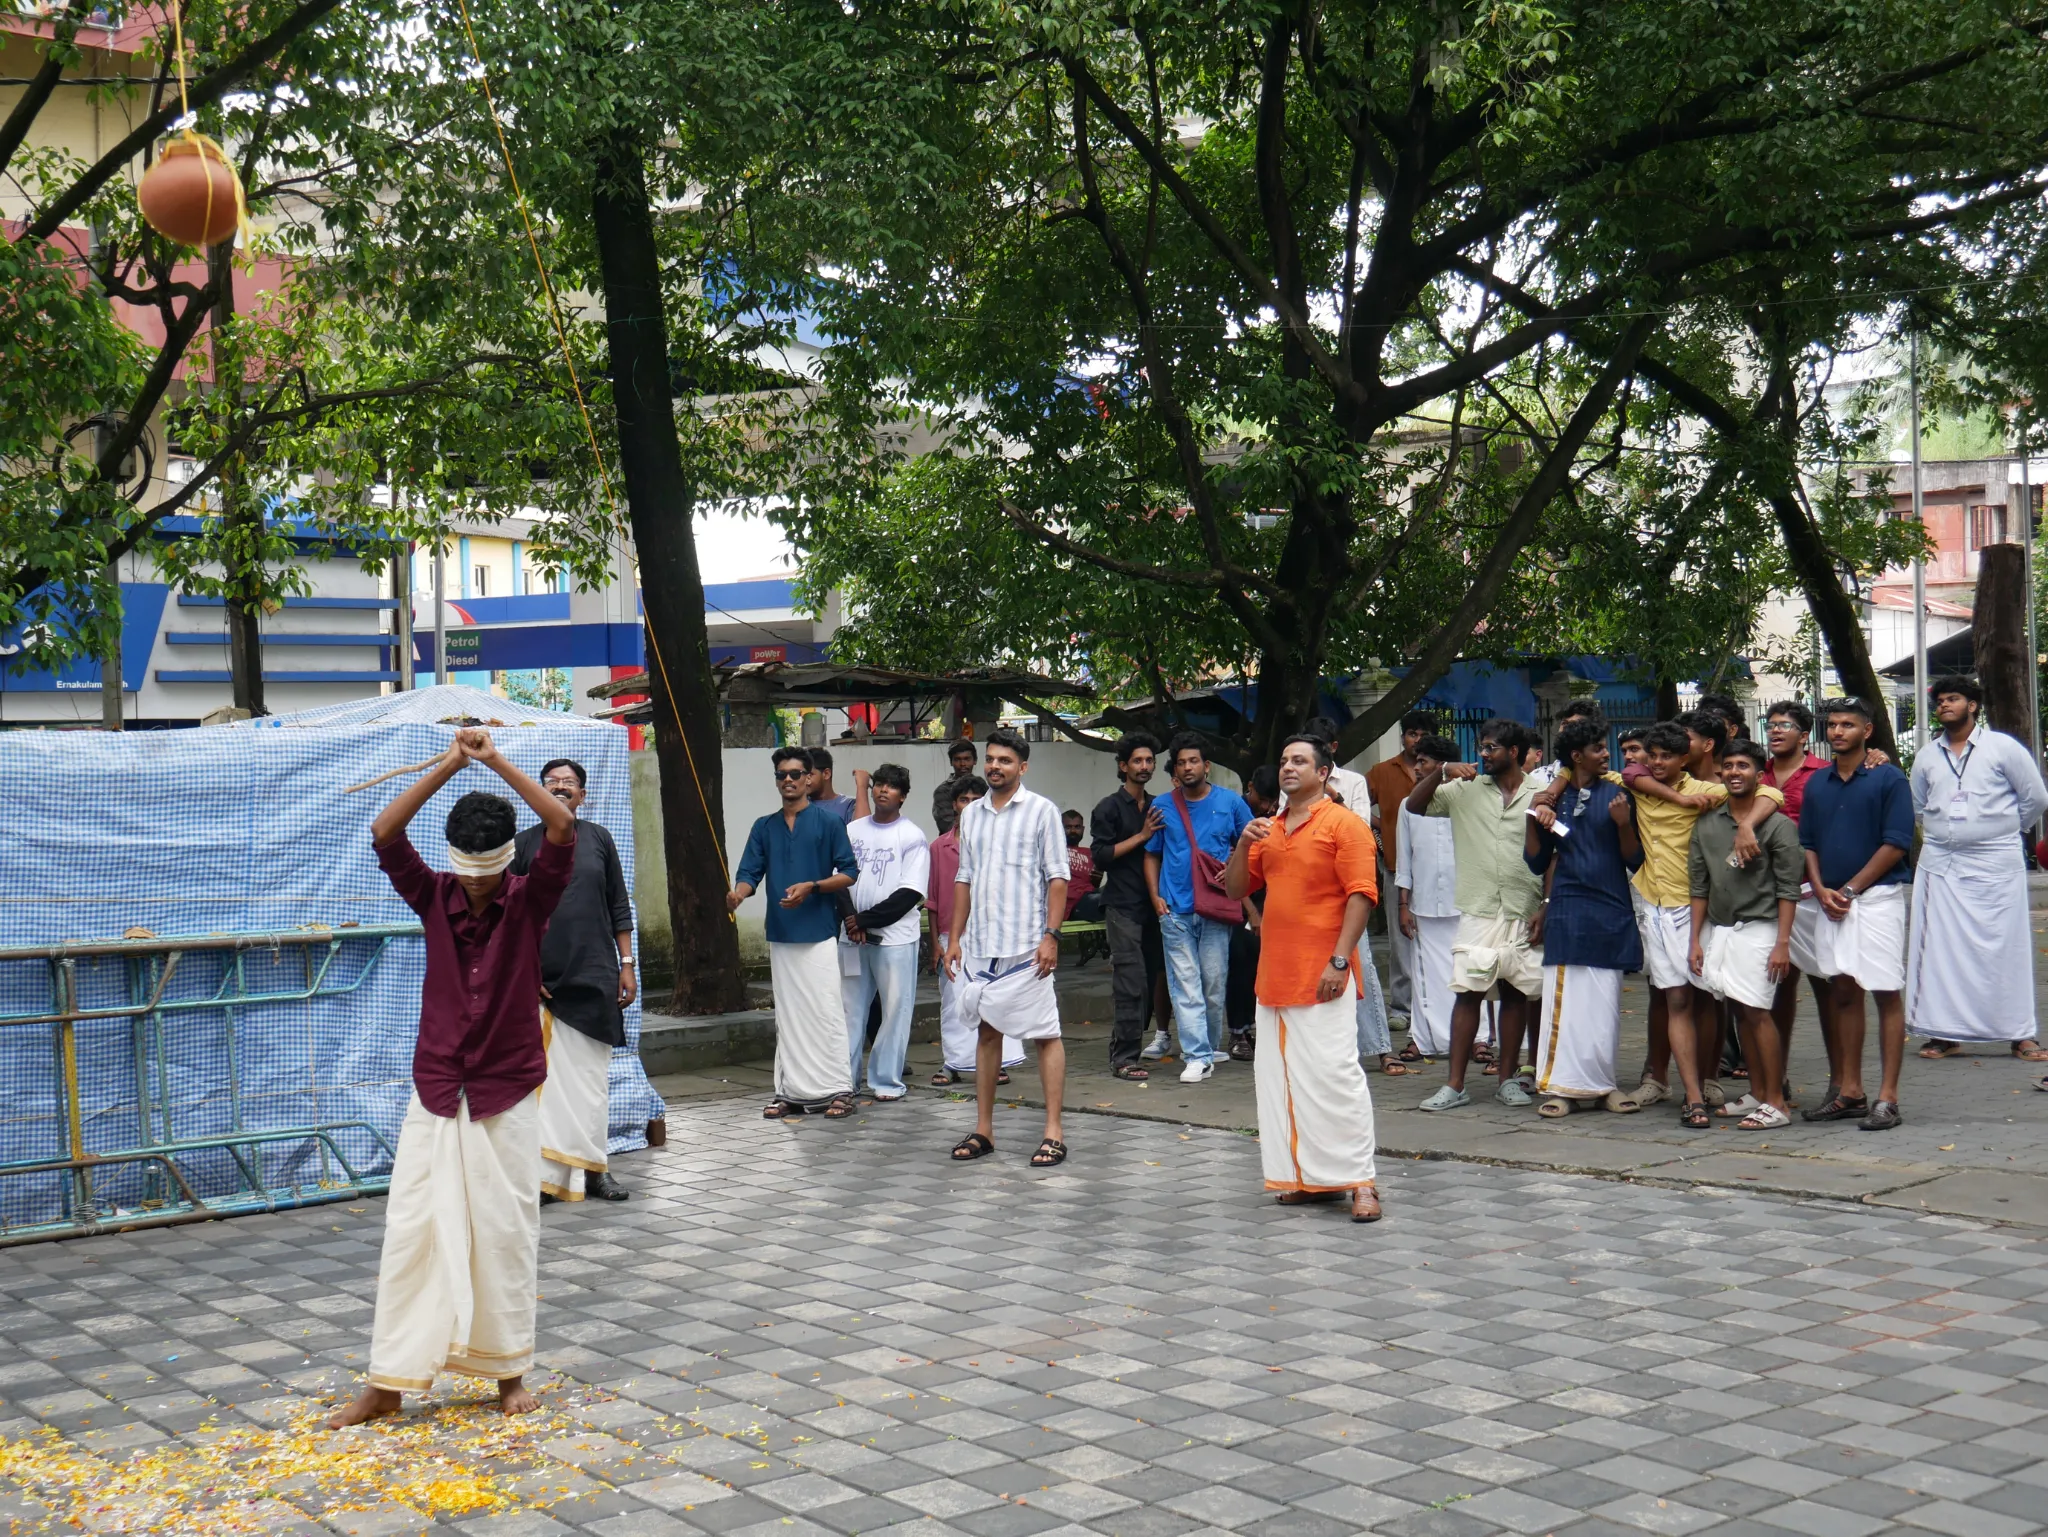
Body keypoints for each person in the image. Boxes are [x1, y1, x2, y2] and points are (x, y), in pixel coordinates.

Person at [329, 728, 575, 1428]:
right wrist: (449, 763)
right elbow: (385, 832)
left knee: (504, 1230)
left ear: (506, 861)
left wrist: (495, 760)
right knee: (412, 1229)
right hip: (438, 1084)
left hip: (507, 1085)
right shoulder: (432, 892)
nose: (472, 881)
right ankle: (390, 1379)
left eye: (484, 871)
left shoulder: (530, 897)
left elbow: (560, 826)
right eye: (464, 869)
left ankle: (507, 1373)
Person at [1224, 735, 1383, 1223]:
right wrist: (1243, 843)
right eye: (1284, 760)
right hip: (1275, 975)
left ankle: (1361, 1181)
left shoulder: (1345, 824)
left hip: (1324, 974)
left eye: (1299, 761)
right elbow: (1236, 888)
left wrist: (1339, 961)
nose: (1288, 767)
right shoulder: (1268, 828)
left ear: (1324, 772)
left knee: (1336, 1078)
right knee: (1284, 1082)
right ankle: (1309, 1179)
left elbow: (1362, 895)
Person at [1611, 720, 1782, 1116]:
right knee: (1675, 999)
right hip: (1653, 904)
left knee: (1710, 995)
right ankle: (1691, 1097)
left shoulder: (1707, 791)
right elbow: (1611, 772)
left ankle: (1722, 1082)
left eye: (1666, 756)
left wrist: (1746, 825)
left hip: (1694, 907)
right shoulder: (1637, 785)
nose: (1657, 763)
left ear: (1683, 760)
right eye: (1652, 756)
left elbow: (1772, 793)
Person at [510, 758, 634, 1206]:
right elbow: (512, 914)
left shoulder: (600, 838)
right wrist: (525, 971)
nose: (560, 788)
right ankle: (547, 1178)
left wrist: (626, 963)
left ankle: (595, 1171)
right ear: (538, 793)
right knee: (547, 1082)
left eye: (569, 783)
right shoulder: (523, 844)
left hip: (596, 971)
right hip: (543, 978)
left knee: (590, 1082)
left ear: (583, 795)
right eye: (552, 782)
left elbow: (618, 904)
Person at [946, 728, 1071, 1167]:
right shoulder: (971, 816)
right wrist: (954, 939)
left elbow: (1058, 878)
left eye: (1005, 760)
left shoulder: (1042, 811)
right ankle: (984, 1129)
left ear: (1023, 766)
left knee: (1045, 1034)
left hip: (1028, 947)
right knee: (986, 1033)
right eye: (991, 759)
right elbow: (964, 878)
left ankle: (1053, 1132)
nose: (995, 766)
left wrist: (1051, 936)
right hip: (982, 945)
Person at [1907, 676, 2048, 1064]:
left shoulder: (2003, 747)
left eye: (1953, 698)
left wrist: (2002, 829)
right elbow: (1918, 806)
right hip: (1941, 865)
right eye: (1940, 700)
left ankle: (2020, 1034)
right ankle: (1943, 1033)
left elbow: (2035, 798)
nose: (1944, 705)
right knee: (1941, 952)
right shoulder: (1927, 755)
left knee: (2006, 948)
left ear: (1972, 705)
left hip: (1996, 863)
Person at [1410, 719, 1544, 1111]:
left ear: (1513, 752)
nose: (1482, 755)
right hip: (1478, 907)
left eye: (1490, 748)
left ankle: (1508, 1080)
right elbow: (1414, 805)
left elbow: (1554, 852)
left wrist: (1546, 904)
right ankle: (1455, 1085)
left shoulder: (1541, 792)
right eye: (1481, 747)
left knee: (1515, 994)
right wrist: (1440, 771)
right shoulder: (1462, 789)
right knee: (1468, 993)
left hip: (1524, 906)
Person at [1799, 696, 1914, 1130]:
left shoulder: (1889, 777)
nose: (1837, 731)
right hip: (1829, 902)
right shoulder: (1818, 782)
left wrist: (1850, 889)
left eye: (1847, 724)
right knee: (1843, 991)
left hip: (1877, 899)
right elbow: (1808, 842)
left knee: (1884, 990)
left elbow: (1896, 843)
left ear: (1867, 730)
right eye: (1832, 724)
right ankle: (1850, 1092)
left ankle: (1888, 1098)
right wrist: (1820, 888)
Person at [729, 747, 860, 1120]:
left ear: (809, 778)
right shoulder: (764, 826)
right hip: (782, 932)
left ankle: (839, 1089)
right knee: (788, 1016)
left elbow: (849, 872)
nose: (788, 780)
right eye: (781, 774)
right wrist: (737, 895)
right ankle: (790, 1092)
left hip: (819, 932)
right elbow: (749, 873)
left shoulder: (828, 822)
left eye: (795, 774)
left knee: (825, 1010)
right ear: (776, 781)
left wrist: (813, 887)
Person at [1523, 719, 1643, 1115]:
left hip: (1611, 909)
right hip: (1568, 911)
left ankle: (1604, 1086)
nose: (1607, 754)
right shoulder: (1551, 799)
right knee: (1568, 1003)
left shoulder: (1619, 796)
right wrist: (1532, 817)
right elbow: (1536, 862)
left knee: (1604, 1005)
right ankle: (1561, 1089)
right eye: (1598, 749)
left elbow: (1634, 859)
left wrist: (1623, 824)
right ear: (1577, 756)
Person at [1688, 738, 1804, 1131]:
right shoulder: (1707, 823)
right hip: (1720, 930)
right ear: (1719, 772)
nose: (1735, 772)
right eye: (1729, 766)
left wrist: (1782, 943)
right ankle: (1757, 1093)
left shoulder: (1778, 825)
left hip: (1762, 929)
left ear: (1759, 774)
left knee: (1756, 1012)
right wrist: (1694, 940)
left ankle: (1777, 1103)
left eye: (1744, 766)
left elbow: (1788, 889)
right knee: (1739, 1011)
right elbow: (1699, 886)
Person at [1145, 733, 1254, 1085]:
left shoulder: (1231, 802)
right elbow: (1151, 854)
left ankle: (1206, 1046)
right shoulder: (1163, 805)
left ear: (1206, 766)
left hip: (1216, 908)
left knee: (1213, 983)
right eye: (1181, 762)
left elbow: (1252, 841)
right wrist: (1155, 897)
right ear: (1174, 769)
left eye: (1193, 761)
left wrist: (1233, 864)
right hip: (1174, 909)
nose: (1187, 767)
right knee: (1185, 985)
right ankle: (1197, 1055)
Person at [1306, 716, 1403, 1078]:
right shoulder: (1294, 786)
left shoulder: (1352, 782)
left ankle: (1380, 1049)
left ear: (1332, 749)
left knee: (1359, 964)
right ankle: (1323, 1055)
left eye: (1314, 748)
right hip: (1310, 888)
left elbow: (1361, 832)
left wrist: (1333, 800)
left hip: (1347, 888)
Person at [838, 763, 929, 1102]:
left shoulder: (912, 836)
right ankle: (844, 1081)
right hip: (851, 939)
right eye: (878, 784)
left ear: (903, 796)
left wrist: (865, 920)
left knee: (894, 1012)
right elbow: (837, 880)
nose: (882, 790)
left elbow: (909, 894)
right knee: (848, 1011)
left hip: (895, 941)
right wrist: (852, 920)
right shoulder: (853, 830)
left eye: (891, 786)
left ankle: (886, 1081)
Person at [1760, 700, 1838, 1096]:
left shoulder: (1824, 774)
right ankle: (1776, 1080)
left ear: (1804, 735)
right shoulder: (1756, 772)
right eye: (1771, 724)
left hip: (1813, 891)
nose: (1775, 730)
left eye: (1785, 725)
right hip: (1766, 893)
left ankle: (1841, 1083)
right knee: (1777, 988)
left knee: (1829, 987)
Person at [929, 776, 1021, 1086]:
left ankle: (998, 1061)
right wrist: (936, 942)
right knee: (953, 1001)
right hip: (950, 934)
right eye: (963, 799)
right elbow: (933, 899)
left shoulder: (997, 843)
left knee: (992, 998)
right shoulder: (939, 847)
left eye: (974, 799)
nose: (968, 805)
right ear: (954, 805)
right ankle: (953, 1062)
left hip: (989, 932)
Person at [1091, 734, 1166, 1080]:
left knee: (1149, 980)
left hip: (1154, 904)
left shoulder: (1157, 805)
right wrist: (1141, 836)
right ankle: (1124, 1058)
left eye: (1149, 760)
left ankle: (1125, 1047)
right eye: (1137, 761)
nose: (1144, 766)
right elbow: (1101, 856)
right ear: (1123, 766)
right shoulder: (1108, 807)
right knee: (1130, 980)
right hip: (1121, 905)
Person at [1366, 711, 1440, 1026]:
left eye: (1423, 734)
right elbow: (1356, 804)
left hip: (1438, 869)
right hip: (1396, 865)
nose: (1417, 740)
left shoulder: (1445, 772)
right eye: (1412, 733)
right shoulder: (1382, 771)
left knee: (1437, 938)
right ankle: (1402, 1008)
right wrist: (1382, 826)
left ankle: (1435, 1006)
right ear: (1403, 737)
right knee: (1400, 940)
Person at [1395, 734, 1461, 1061]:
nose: (1417, 768)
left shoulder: (1468, 797)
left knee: (1469, 972)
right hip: (1423, 903)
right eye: (1416, 762)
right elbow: (1404, 859)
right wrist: (1403, 905)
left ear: (1442, 765)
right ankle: (1421, 1040)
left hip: (1465, 902)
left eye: (1423, 762)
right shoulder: (1408, 805)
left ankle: (1478, 1039)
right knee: (1425, 976)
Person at [1227, 766, 1281, 1061]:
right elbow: (1232, 866)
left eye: (1272, 801)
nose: (1267, 806)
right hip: (1238, 903)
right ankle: (1239, 1032)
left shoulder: (1279, 817)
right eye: (1262, 799)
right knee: (1240, 966)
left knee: (1263, 968)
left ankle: (1262, 1030)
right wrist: (1251, 912)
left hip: (1270, 901)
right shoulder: (1235, 813)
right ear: (1249, 788)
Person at [933, 739, 980, 831]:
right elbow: (947, 825)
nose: (962, 764)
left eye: (967, 759)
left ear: (975, 761)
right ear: (951, 762)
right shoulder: (943, 791)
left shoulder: (982, 788)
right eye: (957, 759)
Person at [1062, 809, 1101, 919]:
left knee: (1119, 890)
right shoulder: (1053, 851)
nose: (1073, 831)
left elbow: (1093, 885)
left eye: (1077, 827)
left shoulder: (1090, 853)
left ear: (1083, 829)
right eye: (1068, 827)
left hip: (1089, 896)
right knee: (1106, 900)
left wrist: (1096, 880)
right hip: (1073, 905)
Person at [808, 747, 859, 824]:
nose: (804, 779)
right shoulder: (798, 805)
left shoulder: (848, 805)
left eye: (809, 774)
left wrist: (862, 787)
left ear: (826, 774)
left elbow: (861, 828)